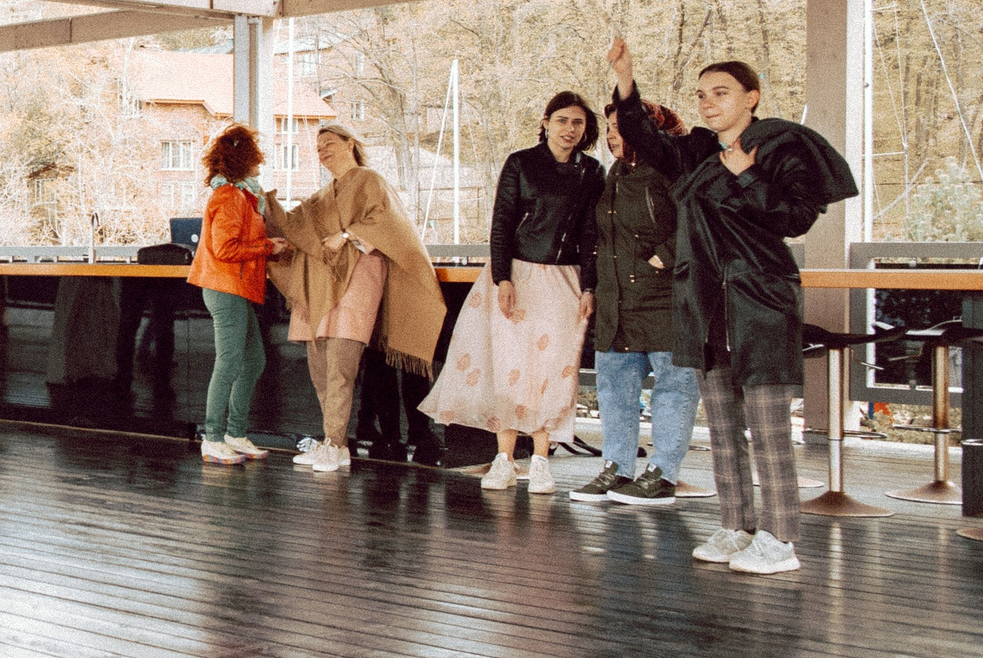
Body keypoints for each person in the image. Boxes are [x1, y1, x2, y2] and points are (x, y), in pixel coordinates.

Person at [606, 38, 857, 575]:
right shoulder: (697, 150)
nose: (708, 102)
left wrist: (745, 172)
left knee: (767, 426)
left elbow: (794, 219)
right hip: (704, 300)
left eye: (721, 92)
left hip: (760, 297)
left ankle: (781, 538)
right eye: (701, 95)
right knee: (720, 426)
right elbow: (648, 141)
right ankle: (737, 525)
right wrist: (626, 81)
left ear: (752, 97)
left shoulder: (782, 148)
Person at [420, 92, 602, 494]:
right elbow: (501, 223)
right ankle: (504, 459)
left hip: (564, 279)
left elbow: (592, 234)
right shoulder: (521, 163)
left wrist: (589, 284)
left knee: (555, 369)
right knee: (508, 366)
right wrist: (503, 278)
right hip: (517, 275)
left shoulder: (592, 171)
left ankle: (540, 460)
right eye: (562, 121)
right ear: (546, 121)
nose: (570, 129)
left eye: (578, 123)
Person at [268, 124, 445, 473]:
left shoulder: (370, 180)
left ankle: (335, 443)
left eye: (329, 143)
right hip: (324, 284)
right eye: (318, 148)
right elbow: (297, 226)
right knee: (320, 368)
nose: (322, 151)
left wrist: (348, 234)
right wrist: (264, 204)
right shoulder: (321, 195)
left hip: (360, 279)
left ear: (351, 144)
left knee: (341, 367)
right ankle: (333, 441)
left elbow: (388, 221)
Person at [569, 96, 700, 507]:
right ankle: (617, 467)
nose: (611, 138)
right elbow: (597, 239)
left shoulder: (672, 168)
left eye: (620, 129)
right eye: (608, 130)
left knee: (674, 388)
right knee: (613, 389)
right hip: (617, 301)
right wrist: (591, 287)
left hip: (663, 298)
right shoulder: (614, 175)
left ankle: (663, 473)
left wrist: (665, 255)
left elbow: (697, 220)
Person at [189, 124, 287, 464]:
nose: (260, 161)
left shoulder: (242, 195)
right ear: (243, 159)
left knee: (252, 360)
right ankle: (213, 437)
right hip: (225, 287)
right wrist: (267, 246)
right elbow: (225, 248)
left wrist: (266, 247)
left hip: (233, 287)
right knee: (230, 361)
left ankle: (234, 433)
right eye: (256, 155)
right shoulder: (230, 197)